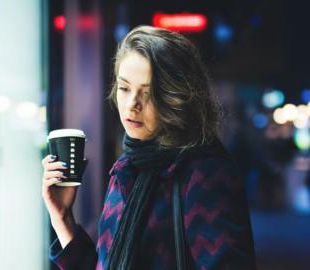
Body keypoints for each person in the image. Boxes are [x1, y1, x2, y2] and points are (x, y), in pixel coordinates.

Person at [41, 25, 256, 270]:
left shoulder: (204, 172)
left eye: (150, 93)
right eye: (124, 88)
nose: (132, 104)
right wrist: (61, 216)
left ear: (176, 98)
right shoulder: (127, 165)